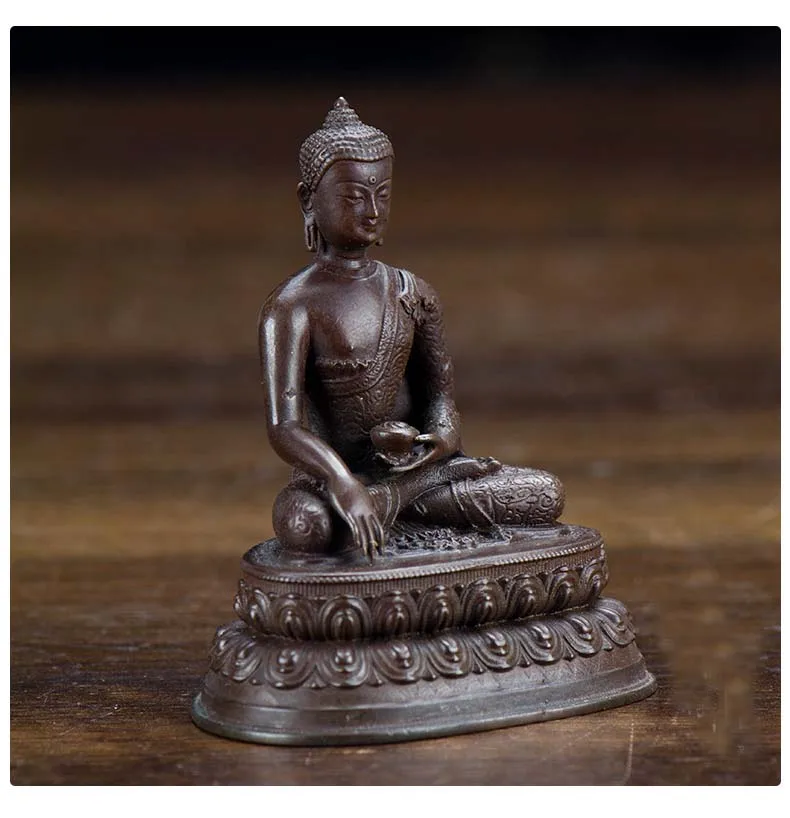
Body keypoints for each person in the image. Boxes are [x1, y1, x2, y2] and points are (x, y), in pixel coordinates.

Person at [258, 98, 564, 559]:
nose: (371, 211)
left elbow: (440, 397)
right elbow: (284, 428)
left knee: (544, 493)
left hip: (414, 473)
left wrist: (436, 439)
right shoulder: (291, 306)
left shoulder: (411, 292)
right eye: (353, 197)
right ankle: (381, 506)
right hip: (328, 483)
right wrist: (342, 480)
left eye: (382, 195)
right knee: (307, 527)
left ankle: (393, 502)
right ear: (308, 200)